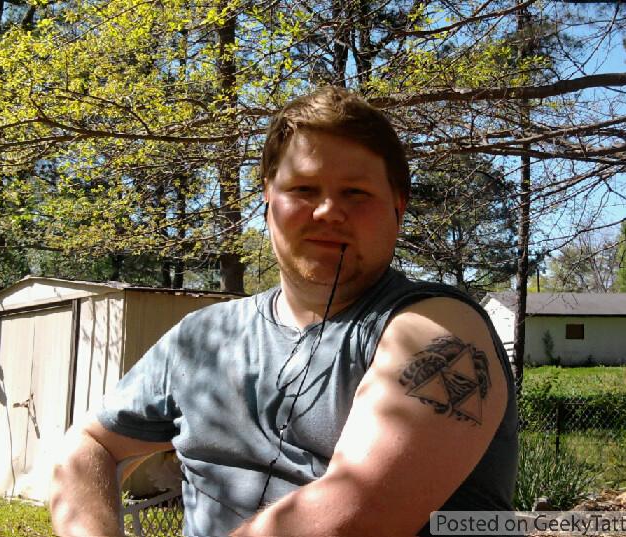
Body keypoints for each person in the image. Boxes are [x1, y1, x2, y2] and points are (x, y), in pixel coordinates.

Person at [50, 86, 518, 537]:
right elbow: (88, 445)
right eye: (304, 188)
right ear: (268, 198)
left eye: (356, 193)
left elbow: (354, 519)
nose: (328, 211)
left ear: (398, 206)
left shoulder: (435, 329)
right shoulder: (201, 339)